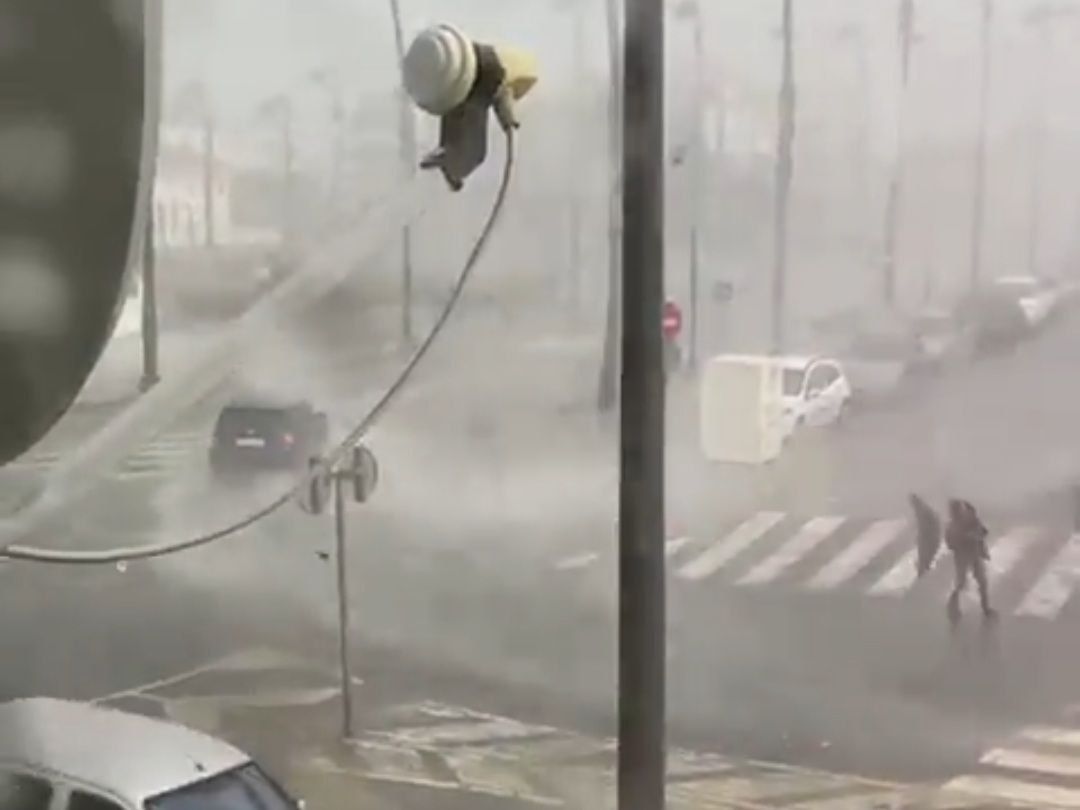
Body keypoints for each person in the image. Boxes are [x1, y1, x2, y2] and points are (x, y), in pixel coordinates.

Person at [944, 499, 995, 624]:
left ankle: (986, 608)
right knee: (961, 583)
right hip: (962, 556)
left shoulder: (970, 519)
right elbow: (950, 544)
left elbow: (984, 532)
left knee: (982, 581)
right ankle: (953, 606)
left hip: (974, 554)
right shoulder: (952, 526)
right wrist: (966, 537)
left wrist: (977, 536)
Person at [910, 493, 941, 579]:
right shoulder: (924, 510)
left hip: (929, 539)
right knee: (925, 560)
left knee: (924, 560)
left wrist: (921, 537)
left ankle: (923, 578)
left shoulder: (923, 511)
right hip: (929, 539)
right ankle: (924, 576)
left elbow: (925, 526)